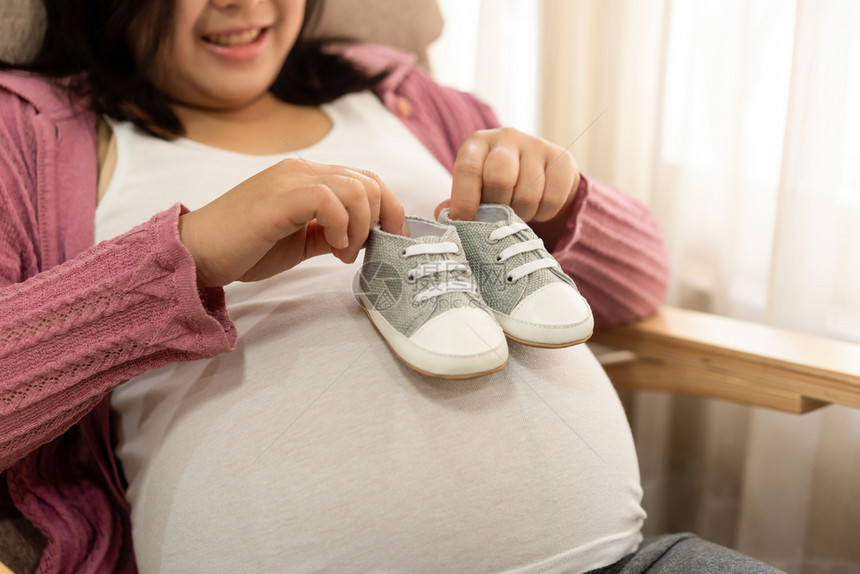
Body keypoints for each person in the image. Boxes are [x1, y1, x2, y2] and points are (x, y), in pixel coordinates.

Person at [0, 0, 781, 573]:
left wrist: (562, 198)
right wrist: (191, 256)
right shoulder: (33, 136)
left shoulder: (399, 94)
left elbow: (641, 280)